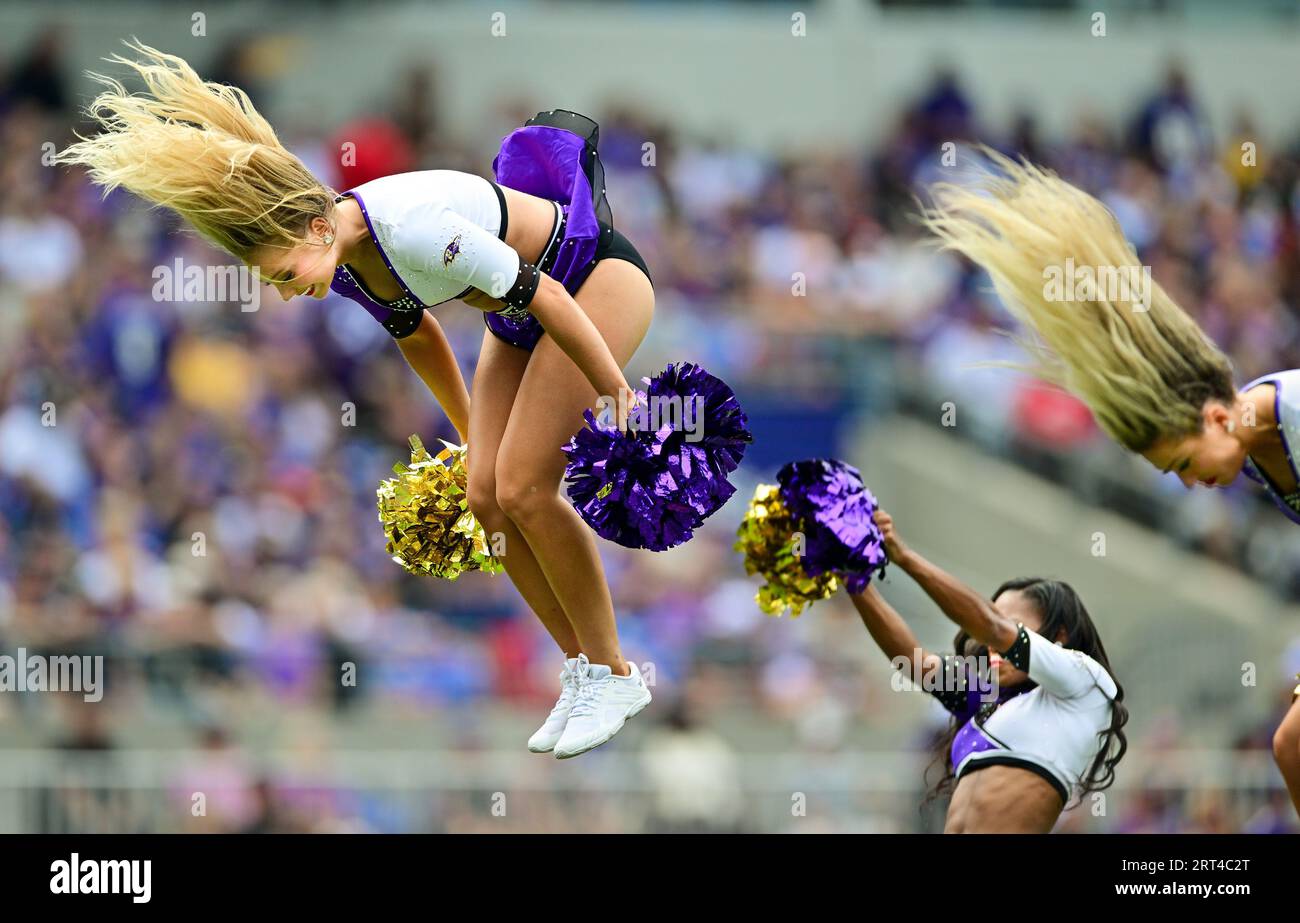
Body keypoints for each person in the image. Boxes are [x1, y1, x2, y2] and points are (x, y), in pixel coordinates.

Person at [56, 41, 654, 759]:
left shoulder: (412, 231)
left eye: (281, 272)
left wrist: (617, 392)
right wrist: (473, 438)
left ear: (314, 226)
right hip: (521, 313)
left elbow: (549, 293)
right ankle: (586, 671)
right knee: (487, 495)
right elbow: (421, 334)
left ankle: (617, 670)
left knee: (525, 486)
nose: (282, 292)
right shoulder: (345, 258)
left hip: (593, 285)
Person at [921, 149, 1300, 811]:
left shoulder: (1292, 412)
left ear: (1215, 416)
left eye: (1182, 464)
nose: (1190, 484)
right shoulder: (1266, 451)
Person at [849, 507, 1128, 832]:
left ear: (1059, 635)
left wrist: (903, 556)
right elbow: (914, 662)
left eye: (1016, 626)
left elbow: (991, 627)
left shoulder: (1084, 683)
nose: (993, 643)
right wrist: (854, 579)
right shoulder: (990, 702)